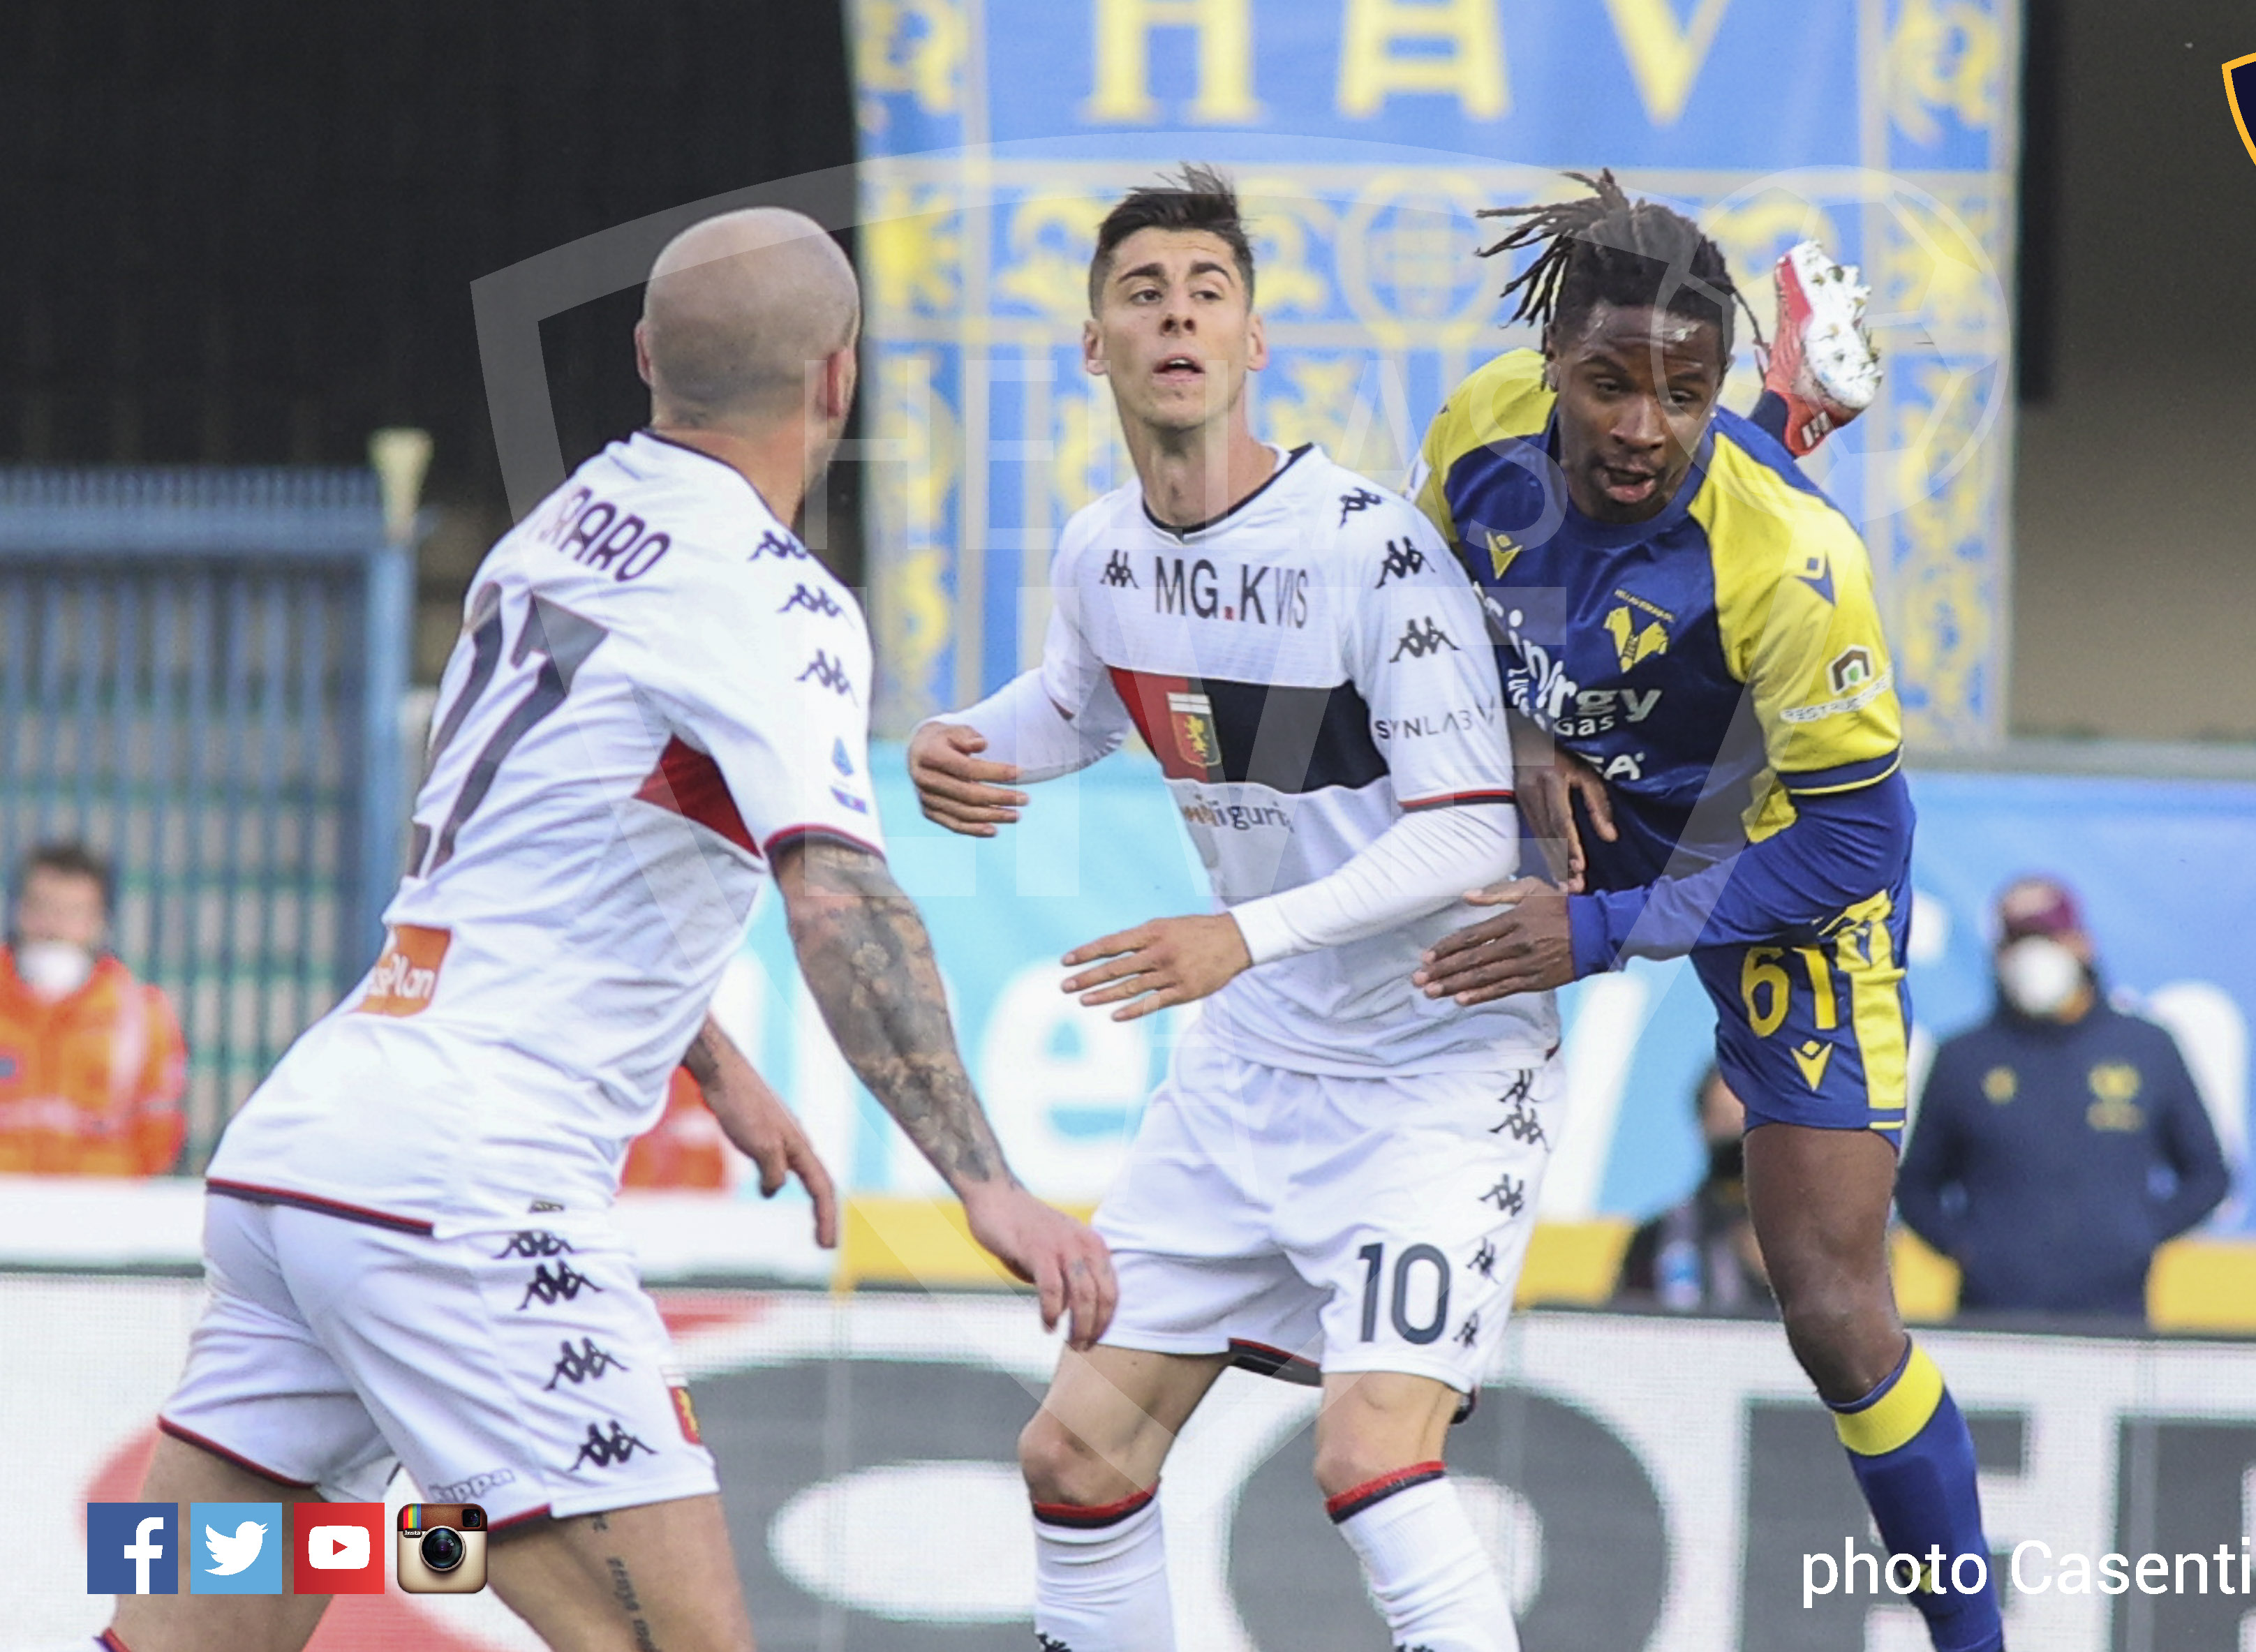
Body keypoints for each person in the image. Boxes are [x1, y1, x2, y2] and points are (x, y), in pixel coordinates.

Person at [104, 207, 1113, 1652]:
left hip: (303, 1165)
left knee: (182, 1633)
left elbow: (508, 854)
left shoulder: (548, 538)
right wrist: (986, 1181)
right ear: (837, 378)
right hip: (467, 1189)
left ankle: (360, 1548)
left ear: (646, 356)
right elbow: (838, 895)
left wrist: (713, 1061)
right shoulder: (775, 600)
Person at [907, 166, 1560, 1652]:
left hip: (1432, 1066)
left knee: (1369, 1459)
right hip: (1253, 1073)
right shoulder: (1101, 550)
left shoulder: (1368, 547)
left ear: (1253, 341)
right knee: (1074, 1454)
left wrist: (1236, 938)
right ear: (1095, 346)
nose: (1177, 316)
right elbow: (1075, 704)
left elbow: (1466, 832)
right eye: (1142, 295)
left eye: (1207, 292)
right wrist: (962, 742)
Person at [1406, 172, 2005, 1652]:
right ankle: (1402, 1325)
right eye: (1607, 384)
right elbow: (1422, 615)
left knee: (1831, 1308)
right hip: (1601, 797)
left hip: (1776, 852)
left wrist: (1601, 931)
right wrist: (1520, 726)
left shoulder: (1798, 565)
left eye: (1685, 394)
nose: (1639, 425)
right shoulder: (1477, 430)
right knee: (1407, 932)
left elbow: (1860, 840)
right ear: (1549, 359)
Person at [1896, 875, 2231, 1320]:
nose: (2033, 957)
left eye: (2047, 938)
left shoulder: (2146, 1048)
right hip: (1993, 1316)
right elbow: (1916, 1185)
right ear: (1998, 954)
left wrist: (2136, 1236)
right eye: (2018, 941)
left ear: (2082, 944)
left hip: (2114, 1314)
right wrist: (1968, 1249)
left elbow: (2208, 1175)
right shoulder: (1963, 1058)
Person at [0, 842, 188, 1176]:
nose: (54, 927)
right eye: (42, 908)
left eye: (73, 912)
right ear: (19, 910)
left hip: (100, 1201)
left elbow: (159, 1131)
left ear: (99, 921)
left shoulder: (140, 1014)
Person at [1616, 1065, 1774, 1314]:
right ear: (1702, 1126)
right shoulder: (1660, 1239)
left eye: (1749, 1119)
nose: (1738, 1135)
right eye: (1724, 1118)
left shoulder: (1816, 1236)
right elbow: (1627, 1327)